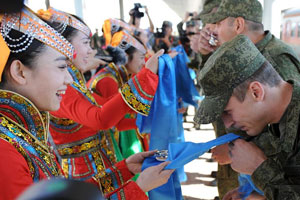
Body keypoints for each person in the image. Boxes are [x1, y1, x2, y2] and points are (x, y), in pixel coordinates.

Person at [38, 7, 172, 199]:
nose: (92, 50)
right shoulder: (64, 87)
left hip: (98, 168)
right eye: (86, 43)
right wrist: (145, 78)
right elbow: (101, 117)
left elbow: (105, 111)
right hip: (83, 173)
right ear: (63, 44)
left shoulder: (73, 81)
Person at [195, 0, 300, 198]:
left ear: (256, 92)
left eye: (227, 111)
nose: (228, 123)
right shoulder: (280, 117)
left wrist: (259, 168)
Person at [0, 6, 74, 199]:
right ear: (20, 72)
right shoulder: (4, 152)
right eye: (61, 66)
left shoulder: (23, 131)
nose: (69, 79)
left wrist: (127, 175)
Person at [87, 31, 147, 164]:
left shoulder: (120, 75)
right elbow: (118, 124)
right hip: (106, 144)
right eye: (142, 57)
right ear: (125, 56)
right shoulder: (108, 80)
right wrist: (148, 123)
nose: (144, 62)